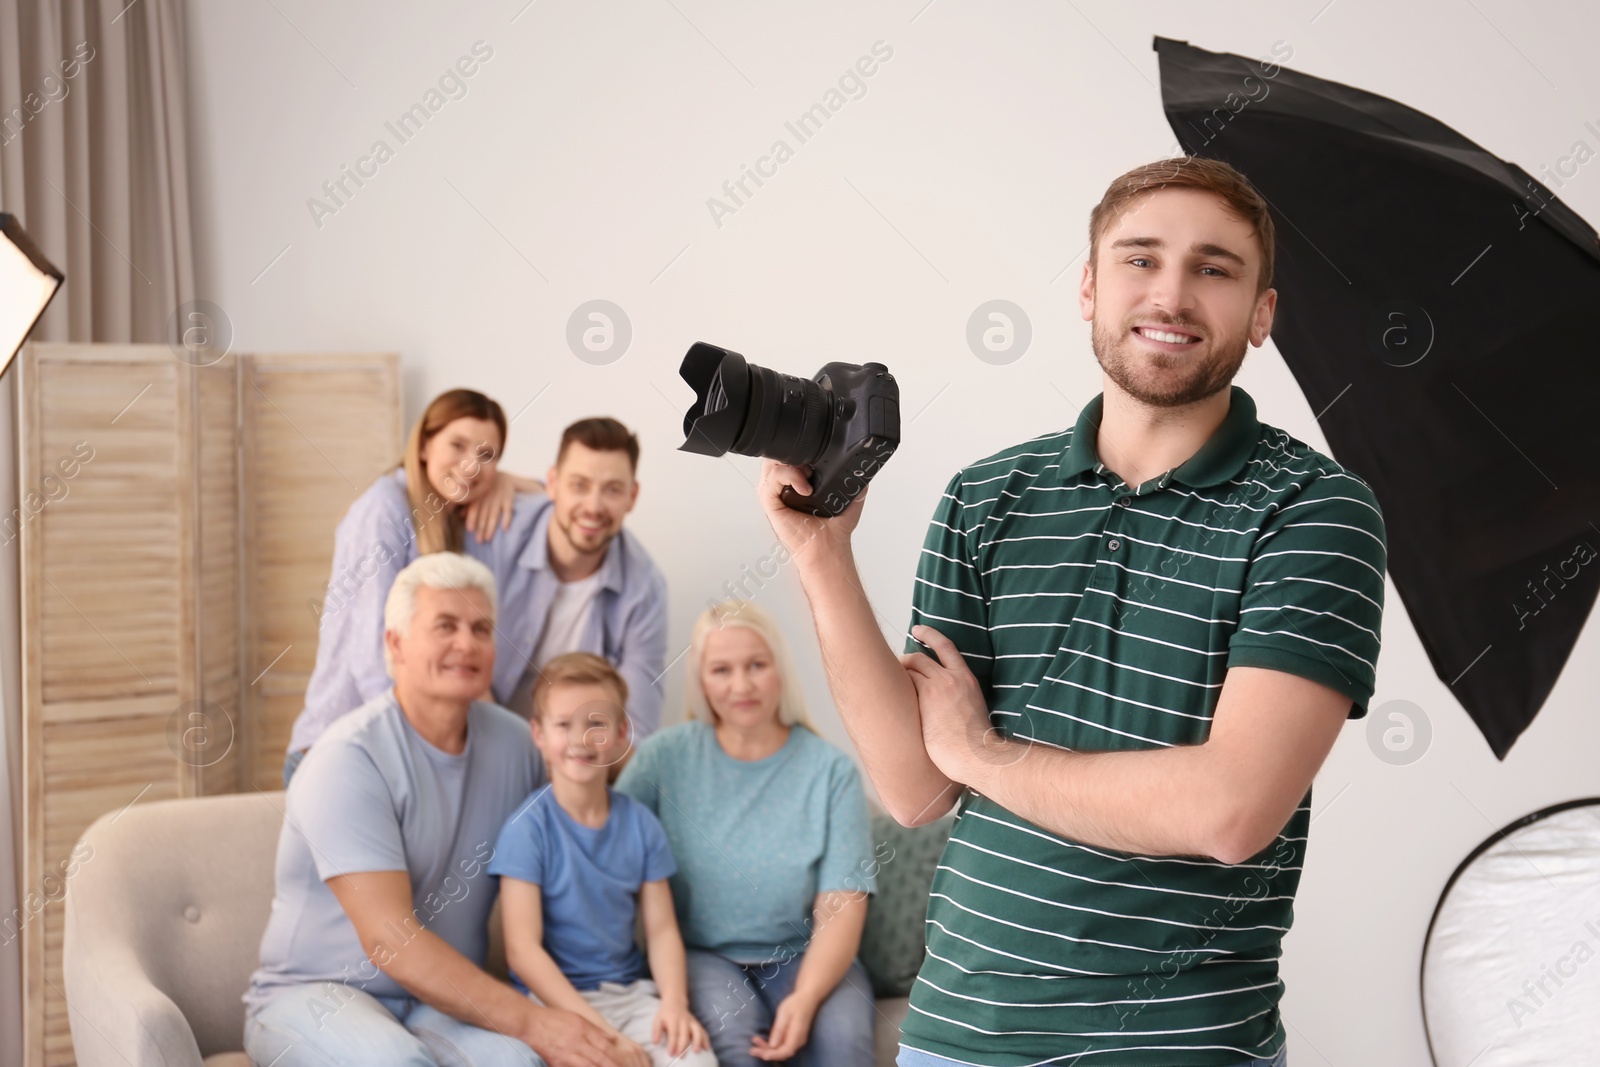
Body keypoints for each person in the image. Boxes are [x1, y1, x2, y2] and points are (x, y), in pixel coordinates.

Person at [756, 156, 1387, 1067]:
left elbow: (1230, 808)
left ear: (1262, 313)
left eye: (1214, 269)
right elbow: (915, 787)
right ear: (1089, 288)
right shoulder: (988, 496)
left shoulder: (1313, 510)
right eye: (1140, 260)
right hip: (957, 1037)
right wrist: (822, 556)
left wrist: (985, 753)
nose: (1170, 294)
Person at [244, 552, 627, 1067]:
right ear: (395, 643)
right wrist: (537, 1022)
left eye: (482, 628)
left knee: (519, 1063)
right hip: (315, 996)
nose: (466, 643)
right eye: (445, 625)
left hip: (436, 1000)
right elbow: (389, 939)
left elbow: (586, 825)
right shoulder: (348, 758)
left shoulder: (516, 744)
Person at [615, 600, 878, 1067]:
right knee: (733, 1042)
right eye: (721, 669)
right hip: (705, 955)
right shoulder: (662, 758)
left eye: (756, 665)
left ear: (779, 669)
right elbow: (604, 842)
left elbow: (842, 907)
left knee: (843, 1044)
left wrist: (806, 998)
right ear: (700, 680)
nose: (741, 685)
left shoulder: (830, 771)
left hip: (803, 952)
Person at [283, 388, 544, 784]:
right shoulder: (383, 509)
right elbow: (373, 659)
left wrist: (510, 481)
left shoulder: (452, 516)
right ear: (424, 444)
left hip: (405, 748)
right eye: (458, 445)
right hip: (341, 750)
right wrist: (422, 754)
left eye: (487, 455)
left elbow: (561, 492)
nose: (471, 465)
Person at [491, 652, 716, 1067]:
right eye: (564, 725)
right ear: (538, 734)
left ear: (620, 732)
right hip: (555, 1003)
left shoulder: (641, 825)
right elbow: (522, 950)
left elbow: (663, 930)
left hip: (630, 996)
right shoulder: (527, 829)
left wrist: (674, 1004)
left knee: (696, 1059)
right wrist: (604, 1036)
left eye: (596, 723)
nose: (580, 739)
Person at [473, 417, 668, 737]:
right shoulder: (495, 531)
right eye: (579, 485)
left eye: (612, 490)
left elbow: (635, 730)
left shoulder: (645, 590)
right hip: (484, 741)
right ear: (551, 483)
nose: (593, 506)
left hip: (576, 761)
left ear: (632, 496)